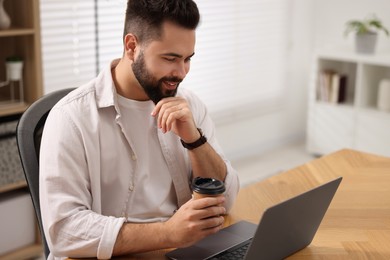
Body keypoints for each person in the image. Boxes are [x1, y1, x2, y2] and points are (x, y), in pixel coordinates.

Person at [39, 0, 240, 259]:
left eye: (187, 59)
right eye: (170, 58)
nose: (181, 72)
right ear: (132, 46)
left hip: (179, 251)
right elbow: (64, 230)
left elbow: (227, 200)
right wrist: (167, 233)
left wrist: (194, 140)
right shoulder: (70, 118)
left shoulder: (189, 106)